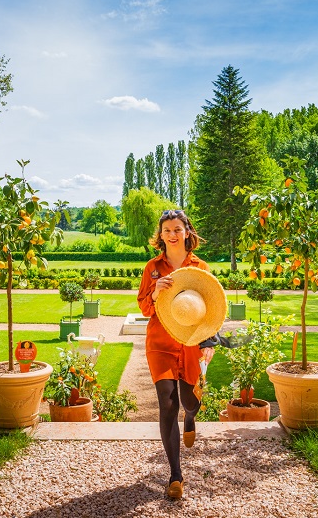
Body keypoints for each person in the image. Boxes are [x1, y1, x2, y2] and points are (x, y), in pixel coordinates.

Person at [137, 209, 221, 500]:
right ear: (160, 235)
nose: (172, 235)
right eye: (166, 230)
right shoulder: (152, 267)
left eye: (177, 229)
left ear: (187, 232)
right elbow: (144, 308)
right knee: (167, 403)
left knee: (189, 401)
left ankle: (192, 417)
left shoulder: (200, 267)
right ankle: (175, 475)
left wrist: (207, 342)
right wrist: (156, 293)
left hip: (190, 341)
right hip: (159, 340)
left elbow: (209, 309)